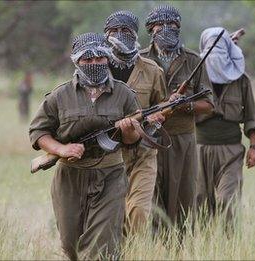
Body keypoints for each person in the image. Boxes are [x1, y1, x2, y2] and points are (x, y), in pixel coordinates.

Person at [28, 32, 141, 260]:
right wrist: (61, 150)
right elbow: (38, 132)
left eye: (99, 58)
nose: (94, 63)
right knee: (71, 244)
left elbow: (133, 139)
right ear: (77, 61)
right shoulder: (60, 95)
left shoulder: (124, 94)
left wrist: (129, 130)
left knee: (103, 245)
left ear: (108, 58)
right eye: (87, 60)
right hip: (70, 176)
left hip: (110, 176)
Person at [140, 5, 214, 228]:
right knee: (150, 201)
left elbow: (209, 105)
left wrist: (184, 105)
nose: (165, 29)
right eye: (159, 25)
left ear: (178, 27)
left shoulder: (193, 60)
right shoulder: (139, 60)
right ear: (150, 29)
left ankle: (180, 248)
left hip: (182, 141)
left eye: (171, 25)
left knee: (183, 201)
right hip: (147, 140)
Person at [195, 27, 255, 233]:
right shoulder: (194, 77)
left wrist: (254, 148)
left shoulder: (241, 80)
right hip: (199, 149)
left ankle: (229, 247)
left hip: (231, 151)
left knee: (228, 200)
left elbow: (252, 117)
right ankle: (204, 248)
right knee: (200, 204)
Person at [104, 10, 167, 234]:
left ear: (135, 34)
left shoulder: (151, 70)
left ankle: (136, 253)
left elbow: (162, 106)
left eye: (126, 30)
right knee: (113, 216)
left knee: (139, 212)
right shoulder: (95, 69)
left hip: (143, 154)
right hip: (108, 156)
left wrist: (156, 118)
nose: (120, 35)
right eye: (114, 30)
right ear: (105, 34)